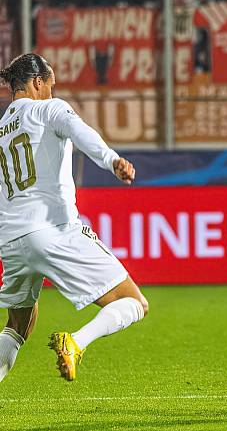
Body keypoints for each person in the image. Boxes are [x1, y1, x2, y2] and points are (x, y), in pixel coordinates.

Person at [0, 53, 148, 383]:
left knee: (16, 327)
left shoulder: (0, 131)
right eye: (50, 85)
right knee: (134, 302)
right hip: (52, 229)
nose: (52, 91)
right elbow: (81, 133)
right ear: (38, 82)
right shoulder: (48, 109)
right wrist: (112, 161)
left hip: (11, 241)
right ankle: (76, 343)